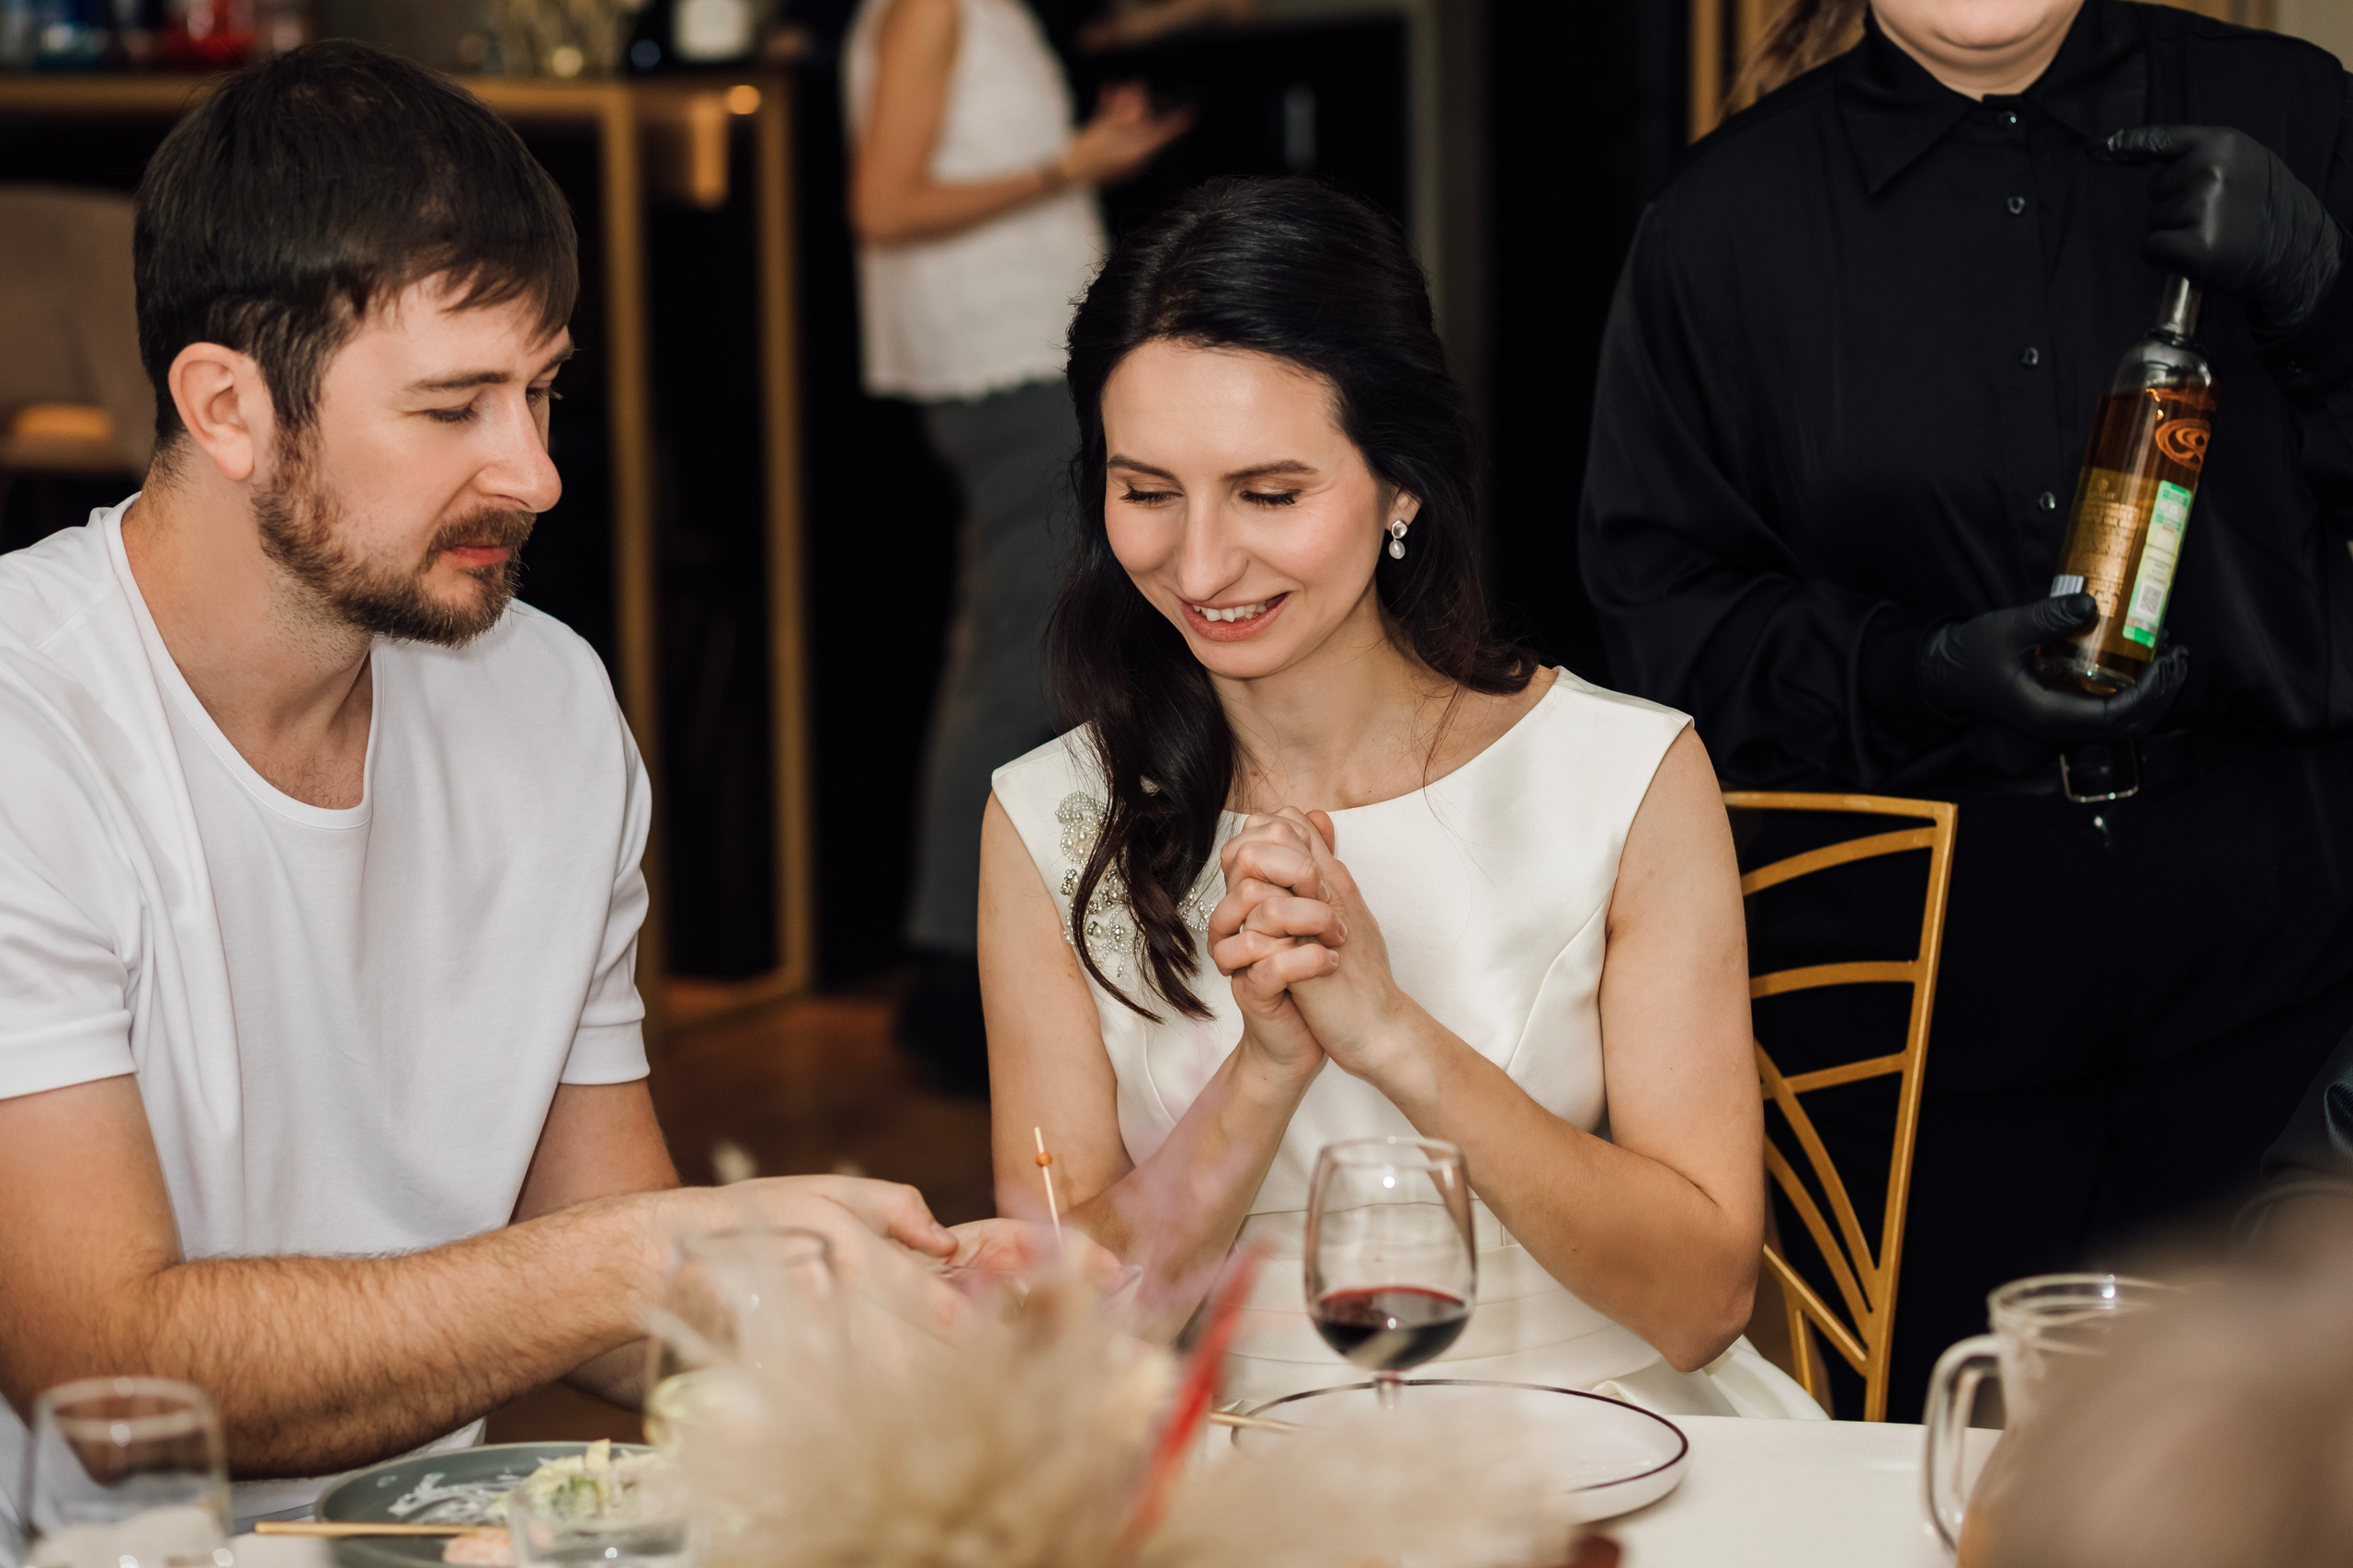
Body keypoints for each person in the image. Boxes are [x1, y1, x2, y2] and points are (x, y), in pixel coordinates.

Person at [0, 43, 1050, 1536]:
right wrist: (644, 1258)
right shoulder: (28, 732)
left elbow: (611, 1282)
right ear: (226, 409)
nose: (537, 471)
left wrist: (881, 1316)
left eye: (543, 391)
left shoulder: (541, 698)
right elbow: (104, 1372)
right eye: (454, 409)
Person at [1577, 0, 2353, 1419]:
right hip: (1928, 970)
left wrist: (2323, 298)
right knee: (1956, 1449)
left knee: (2276, 1455)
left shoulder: (2297, 113)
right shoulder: (1722, 223)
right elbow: (1664, 616)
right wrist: (1912, 664)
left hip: (2275, 939)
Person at [979, 177, 1820, 1417]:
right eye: (1147, 491)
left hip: (1600, 1451)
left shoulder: (1621, 778)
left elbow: (1702, 1303)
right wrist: (1264, 1070)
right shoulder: (1052, 819)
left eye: (1270, 493)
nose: (1200, 564)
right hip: (1231, 1478)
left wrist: (1392, 1037)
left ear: (1403, 487)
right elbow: (1051, 1337)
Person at [845, 0, 1188, 1092]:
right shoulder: (931, 10)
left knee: (1013, 644)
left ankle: (964, 959)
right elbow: (883, 203)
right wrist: (1066, 166)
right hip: (1004, 364)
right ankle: (955, 971)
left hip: (1025, 357)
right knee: (1018, 656)